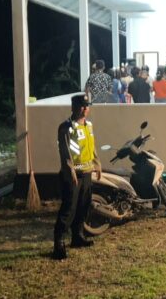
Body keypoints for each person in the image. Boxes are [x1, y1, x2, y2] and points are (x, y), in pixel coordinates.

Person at [53, 94, 102, 260]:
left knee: (83, 206)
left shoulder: (89, 125)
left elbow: (92, 146)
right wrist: (70, 171)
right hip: (73, 175)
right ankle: (59, 243)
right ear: (73, 107)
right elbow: (65, 151)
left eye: (87, 106)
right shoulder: (67, 127)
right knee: (69, 209)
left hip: (87, 173)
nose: (85, 109)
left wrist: (97, 163)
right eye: (82, 105)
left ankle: (77, 236)